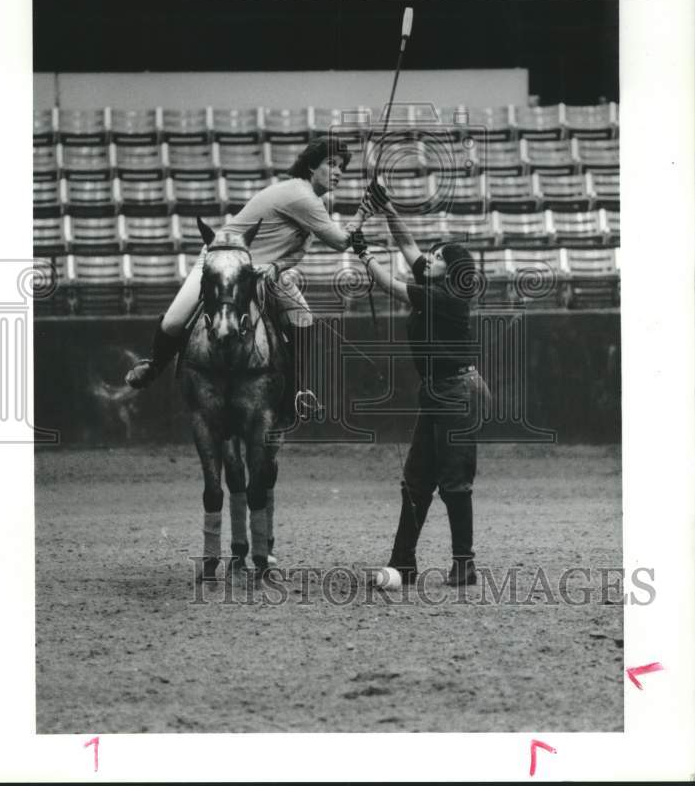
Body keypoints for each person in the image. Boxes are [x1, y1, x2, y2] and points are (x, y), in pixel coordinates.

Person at [125, 135, 374, 421]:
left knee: (304, 318)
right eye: (331, 164)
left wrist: (277, 268)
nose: (338, 172)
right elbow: (342, 243)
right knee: (173, 320)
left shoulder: (315, 204)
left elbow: (297, 254)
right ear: (310, 167)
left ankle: (298, 391)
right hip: (221, 261)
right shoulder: (301, 195)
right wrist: (364, 212)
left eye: (342, 167)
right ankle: (154, 366)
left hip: (262, 272)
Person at [354, 183, 490, 587]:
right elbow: (408, 244)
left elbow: (390, 286)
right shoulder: (435, 282)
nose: (426, 258)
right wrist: (387, 207)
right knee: (416, 480)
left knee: (453, 481)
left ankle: (464, 564)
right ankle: (403, 563)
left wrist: (364, 254)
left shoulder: (445, 297)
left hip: (456, 392)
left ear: (451, 270)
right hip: (436, 391)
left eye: (437, 257)